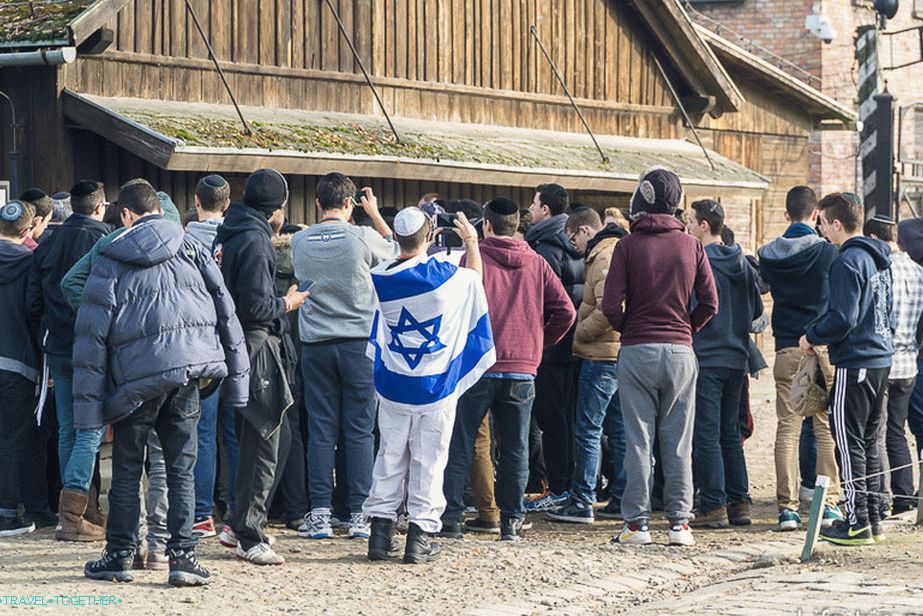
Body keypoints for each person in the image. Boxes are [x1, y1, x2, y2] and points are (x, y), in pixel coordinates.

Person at [73, 180, 249, 585]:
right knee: (180, 469)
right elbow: (227, 312)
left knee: (127, 469)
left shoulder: (111, 257)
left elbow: (92, 335)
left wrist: (88, 411)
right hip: (187, 372)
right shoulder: (193, 248)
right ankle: (182, 558)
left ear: (126, 215)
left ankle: (119, 555)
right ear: (158, 210)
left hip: (133, 379)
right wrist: (237, 380)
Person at [442, 197, 575, 541]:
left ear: (486, 225)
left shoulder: (473, 258)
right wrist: (540, 343)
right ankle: (511, 522)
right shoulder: (537, 262)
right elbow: (566, 312)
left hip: (479, 365)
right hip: (522, 366)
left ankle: (452, 517)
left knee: (462, 441)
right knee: (516, 446)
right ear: (516, 226)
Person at [363, 208, 492, 563]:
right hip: (434, 385)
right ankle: (419, 538)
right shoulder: (446, 277)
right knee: (429, 460)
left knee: (389, 456)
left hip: (393, 382)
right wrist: (471, 241)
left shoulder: (381, 277)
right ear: (431, 235)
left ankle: (379, 536)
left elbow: (397, 256)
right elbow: (475, 280)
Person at [601, 167, 718, 547]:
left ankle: (636, 525)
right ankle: (680, 524)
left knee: (638, 440)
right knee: (678, 441)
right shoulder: (691, 245)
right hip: (681, 349)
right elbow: (711, 303)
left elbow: (609, 304)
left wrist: (627, 328)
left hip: (636, 348)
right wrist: (687, 328)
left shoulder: (627, 245)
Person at [291, 172, 398, 540]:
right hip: (358, 345)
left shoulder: (299, 241)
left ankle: (319, 512)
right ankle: (358, 513)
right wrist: (376, 215)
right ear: (350, 204)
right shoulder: (362, 237)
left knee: (320, 429)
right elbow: (397, 251)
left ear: (318, 203)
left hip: (316, 344)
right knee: (359, 429)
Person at [215, 168, 308, 565]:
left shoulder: (232, 230)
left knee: (272, 435)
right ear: (277, 209)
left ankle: (238, 523)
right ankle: (250, 535)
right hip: (256, 344)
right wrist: (287, 303)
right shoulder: (254, 240)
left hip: (237, 345)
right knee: (266, 438)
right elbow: (253, 306)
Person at [801, 193, 894, 546]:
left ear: (836, 224)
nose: (820, 229)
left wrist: (812, 336)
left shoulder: (848, 261)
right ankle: (872, 517)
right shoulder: (878, 259)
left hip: (856, 359)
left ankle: (855, 520)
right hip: (880, 358)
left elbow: (843, 317)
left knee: (848, 441)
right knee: (869, 441)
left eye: (822, 222)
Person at [27, 180, 111, 542]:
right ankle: (76, 515)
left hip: (55, 345)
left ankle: (76, 510)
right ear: (99, 207)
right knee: (89, 429)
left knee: (66, 428)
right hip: (90, 346)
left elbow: (32, 302)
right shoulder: (104, 240)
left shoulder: (46, 242)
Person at [758, 186, 843, 531]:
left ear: (785, 215)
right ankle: (830, 502)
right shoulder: (827, 253)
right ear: (815, 216)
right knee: (823, 427)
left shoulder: (768, 254)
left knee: (787, 429)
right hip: (820, 347)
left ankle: (787, 509)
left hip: (786, 347)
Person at [686, 199, 763, 529]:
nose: (686, 226)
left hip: (707, 353)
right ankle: (739, 502)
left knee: (706, 432)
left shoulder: (698, 261)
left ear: (704, 225)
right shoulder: (743, 263)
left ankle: (714, 505)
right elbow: (757, 311)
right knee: (730, 433)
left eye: (690, 220)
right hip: (736, 356)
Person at [548, 207, 628, 524]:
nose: (573, 246)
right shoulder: (611, 251)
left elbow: (610, 307)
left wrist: (578, 333)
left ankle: (582, 499)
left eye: (573, 238)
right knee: (618, 430)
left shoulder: (604, 256)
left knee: (588, 429)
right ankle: (622, 495)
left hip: (601, 355)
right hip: (616, 354)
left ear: (584, 231)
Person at [524, 183, 584, 511]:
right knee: (568, 418)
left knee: (552, 421)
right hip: (575, 344)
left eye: (534, 204)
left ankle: (558, 486)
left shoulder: (544, 246)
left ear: (545, 209)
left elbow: (546, 301)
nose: (530, 211)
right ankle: (569, 483)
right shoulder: (575, 242)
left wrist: (542, 340)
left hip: (552, 345)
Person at [182, 174, 233, 539]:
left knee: (201, 431)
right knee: (234, 431)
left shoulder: (179, 240)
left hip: (195, 342)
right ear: (226, 204)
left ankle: (201, 513)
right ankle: (235, 507)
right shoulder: (239, 238)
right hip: (235, 339)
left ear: (196, 201)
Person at [864, 217, 923, 516]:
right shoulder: (918, 271)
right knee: (897, 432)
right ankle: (904, 495)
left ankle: (881, 496)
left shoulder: (879, 269)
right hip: (909, 362)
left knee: (877, 432)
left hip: (883, 360)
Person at [0, 201, 41, 537]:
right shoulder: (32, 262)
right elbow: (34, 310)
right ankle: (8, 512)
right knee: (13, 439)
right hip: (18, 360)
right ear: (29, 231)